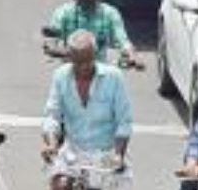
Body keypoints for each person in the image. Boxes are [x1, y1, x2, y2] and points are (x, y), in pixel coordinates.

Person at [40, 30, 133, 189]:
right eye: (78, 62)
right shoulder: (60, 76)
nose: (83, 67)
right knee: (60, 184)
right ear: (70, 58)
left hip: (107, 154)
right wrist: (52, 144)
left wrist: (118, 155)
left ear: (95, 55)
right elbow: (52, 115)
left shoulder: (114, 77)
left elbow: (124, 122)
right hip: (73, 152)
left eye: (88, 61)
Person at [48, 0, 134, 64]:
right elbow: (52, 36)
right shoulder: (63, 12)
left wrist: (131, 54)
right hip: (70, 65)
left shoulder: (110, 14)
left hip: (101, 67)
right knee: (58, 78)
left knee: (116, 76)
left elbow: (122, 40)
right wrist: (52, 46)